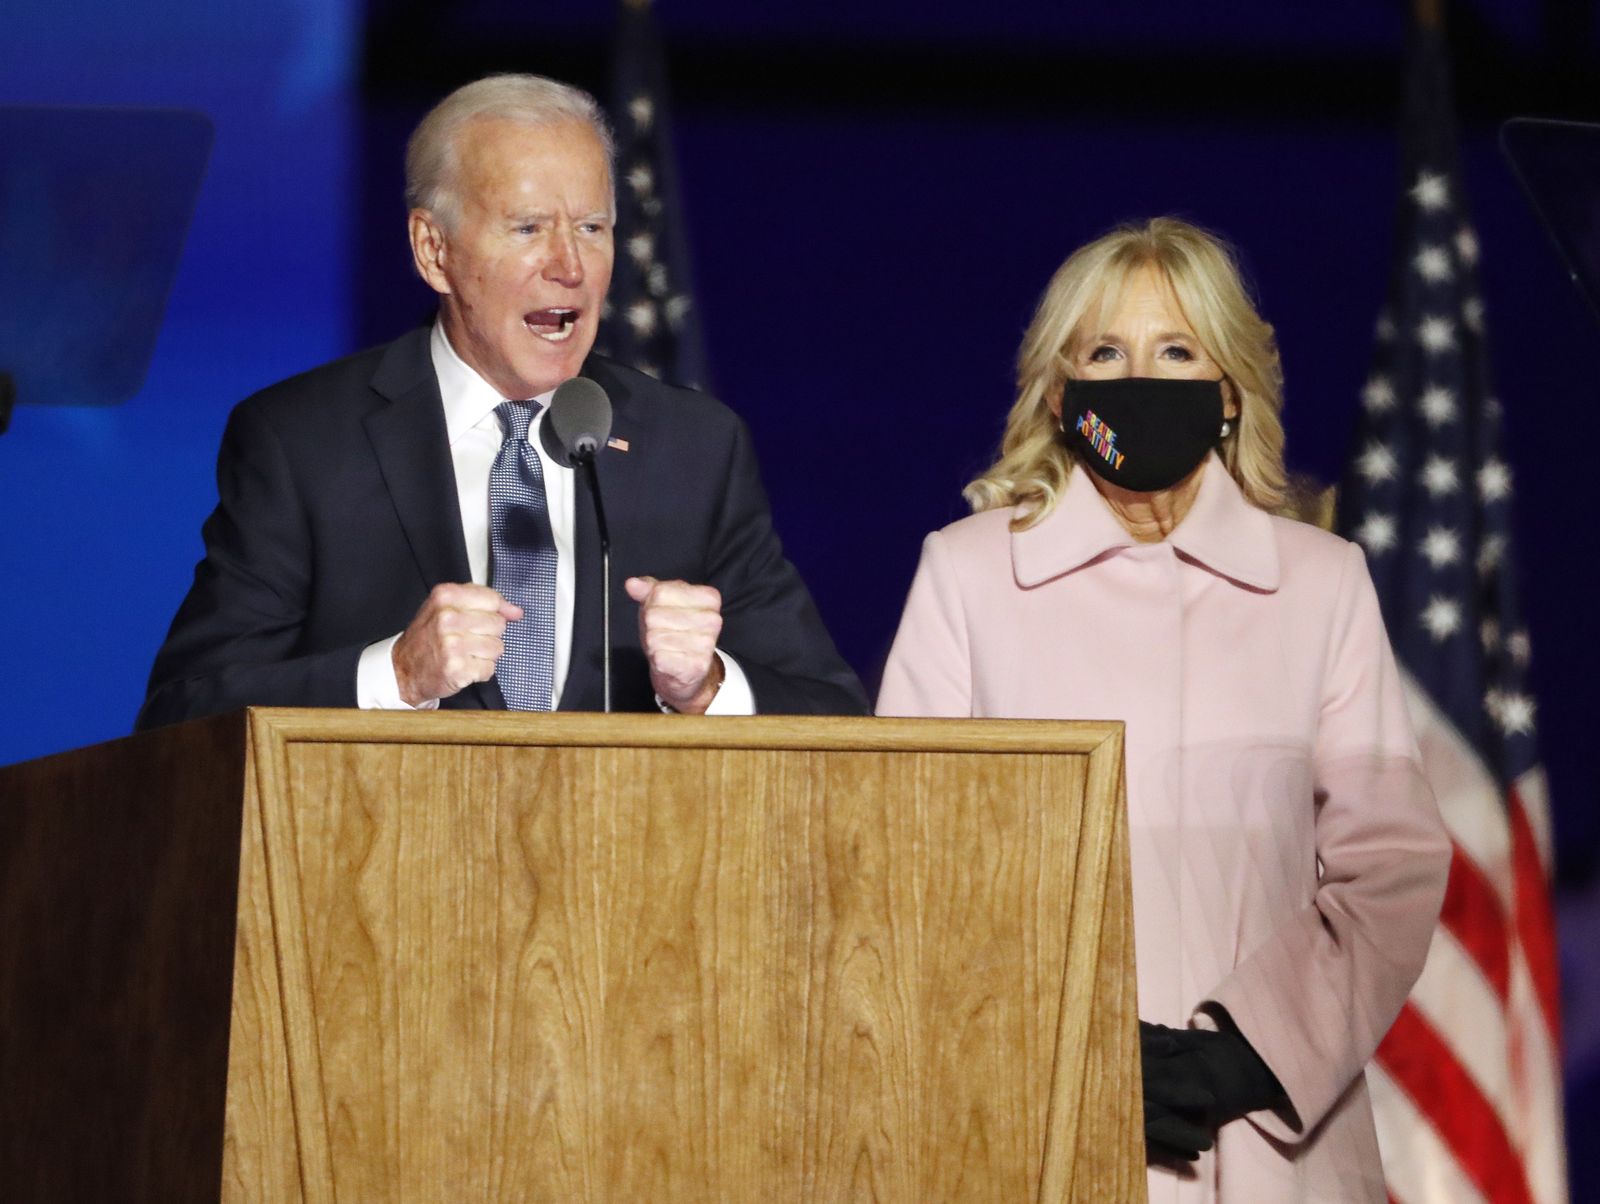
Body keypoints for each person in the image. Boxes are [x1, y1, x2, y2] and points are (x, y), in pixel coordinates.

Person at [876, 218, 1450, 1201]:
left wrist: (1241, 1053)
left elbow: (1389, 865)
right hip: (1037, 1128)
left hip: (1275, 1142)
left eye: (1176, 351)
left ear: (1227, 392)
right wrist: (1077, 1052)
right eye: (1105, 352)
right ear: (1060, 397)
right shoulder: (967, 575)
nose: (1137, 379)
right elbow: (904, 861)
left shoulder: (1320, 584)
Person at [137, 74, 865, 727]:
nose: (570, 266)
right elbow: (185, 712)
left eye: (592, 228)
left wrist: (705, 686)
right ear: (433, 251)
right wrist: (395, 675)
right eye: (527, 228)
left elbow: (833, 713)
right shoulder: (302, 442)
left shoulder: (694, 448)